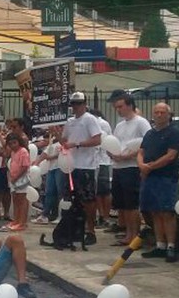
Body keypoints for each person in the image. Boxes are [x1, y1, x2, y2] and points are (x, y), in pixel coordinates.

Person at [138, 103, 179, 262]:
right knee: (154, 211)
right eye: (156, 112)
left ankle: (171, 246)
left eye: (163, 112)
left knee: (167, 212)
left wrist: (151, 166)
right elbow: (141, 152)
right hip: (150, 177)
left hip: (166, 177)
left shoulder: (174, 133)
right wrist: (141, 165)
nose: (159, 115)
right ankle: (160, 245)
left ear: (169, 115)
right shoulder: (149, 133)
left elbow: (171, 156)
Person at [108, 93, 151, 246]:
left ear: (129, 105)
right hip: (118, 167)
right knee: (122, 204)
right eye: (116, 107)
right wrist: (111, 153)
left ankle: (135, 235)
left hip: (131, 167)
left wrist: (129, 156)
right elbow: (113, 143)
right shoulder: (120, 125)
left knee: (132, 204)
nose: (118, 110)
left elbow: (147, 143)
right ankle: (128, 233)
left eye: (120, 106)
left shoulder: (141, 122)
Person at [61, 92, 102, 245]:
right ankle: (75, 228)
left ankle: (91, 230)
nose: (75, 107)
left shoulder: (90, 119)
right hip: (71, 165)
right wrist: (56, 134)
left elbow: (97, 139)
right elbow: (64, 141)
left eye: (78, 103)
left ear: (84, 104)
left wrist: (77, 144)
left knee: (88, 200)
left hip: (86, 165)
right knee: (72, 199)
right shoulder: (70, 122)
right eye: (73, 104)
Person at [5, 132, 31, 231]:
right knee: (15, 200)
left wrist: (16, 177)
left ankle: (22, 222)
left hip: (22, 179)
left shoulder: (23, 151)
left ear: (19, 142)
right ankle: (16, 220)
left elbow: (25, 166)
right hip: (13, 178)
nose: (13, 145)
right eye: (10, 143)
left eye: (14, 143)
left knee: (22, 201)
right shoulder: (12, 152)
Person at [94, 110, 113, 231]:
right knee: (96, 191)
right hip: (93, 162)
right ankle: (100, 215)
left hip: (103, 161)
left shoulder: (102, 123)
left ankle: (106, 217)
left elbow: (104, 141)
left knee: (105, 191)